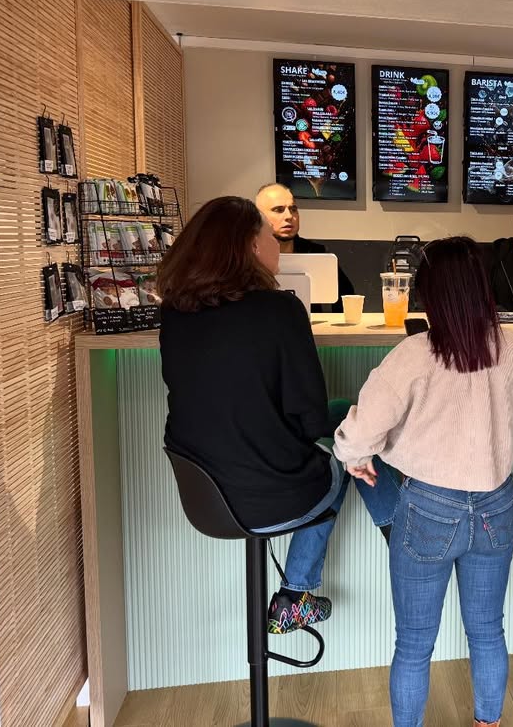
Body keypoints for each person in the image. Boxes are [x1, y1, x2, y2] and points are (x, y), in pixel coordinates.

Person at [157, 196, 396, 638]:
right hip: (272, 494)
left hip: (203, 496)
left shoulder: (173, 312)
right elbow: (312, 421)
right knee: (349, 433)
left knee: (345, 422)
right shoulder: (279, 310)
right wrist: (351, 446)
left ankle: (298, 596)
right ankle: (397, 538)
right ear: (252, 246)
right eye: (267, 233)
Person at [333, 237, 513, 727]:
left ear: (431, 295)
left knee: (414, 644)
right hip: (496, 503)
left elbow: (361, 431)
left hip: (428, 506)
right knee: (487, 631)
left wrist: (355, 458)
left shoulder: (414, 355)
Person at [255, 182, 355, 313]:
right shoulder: (249, 256)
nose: (289, 216)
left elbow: (346, 295)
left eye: (293, 209)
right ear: (259, 216)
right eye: (279, 210)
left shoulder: (317, 253)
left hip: (308, 324)